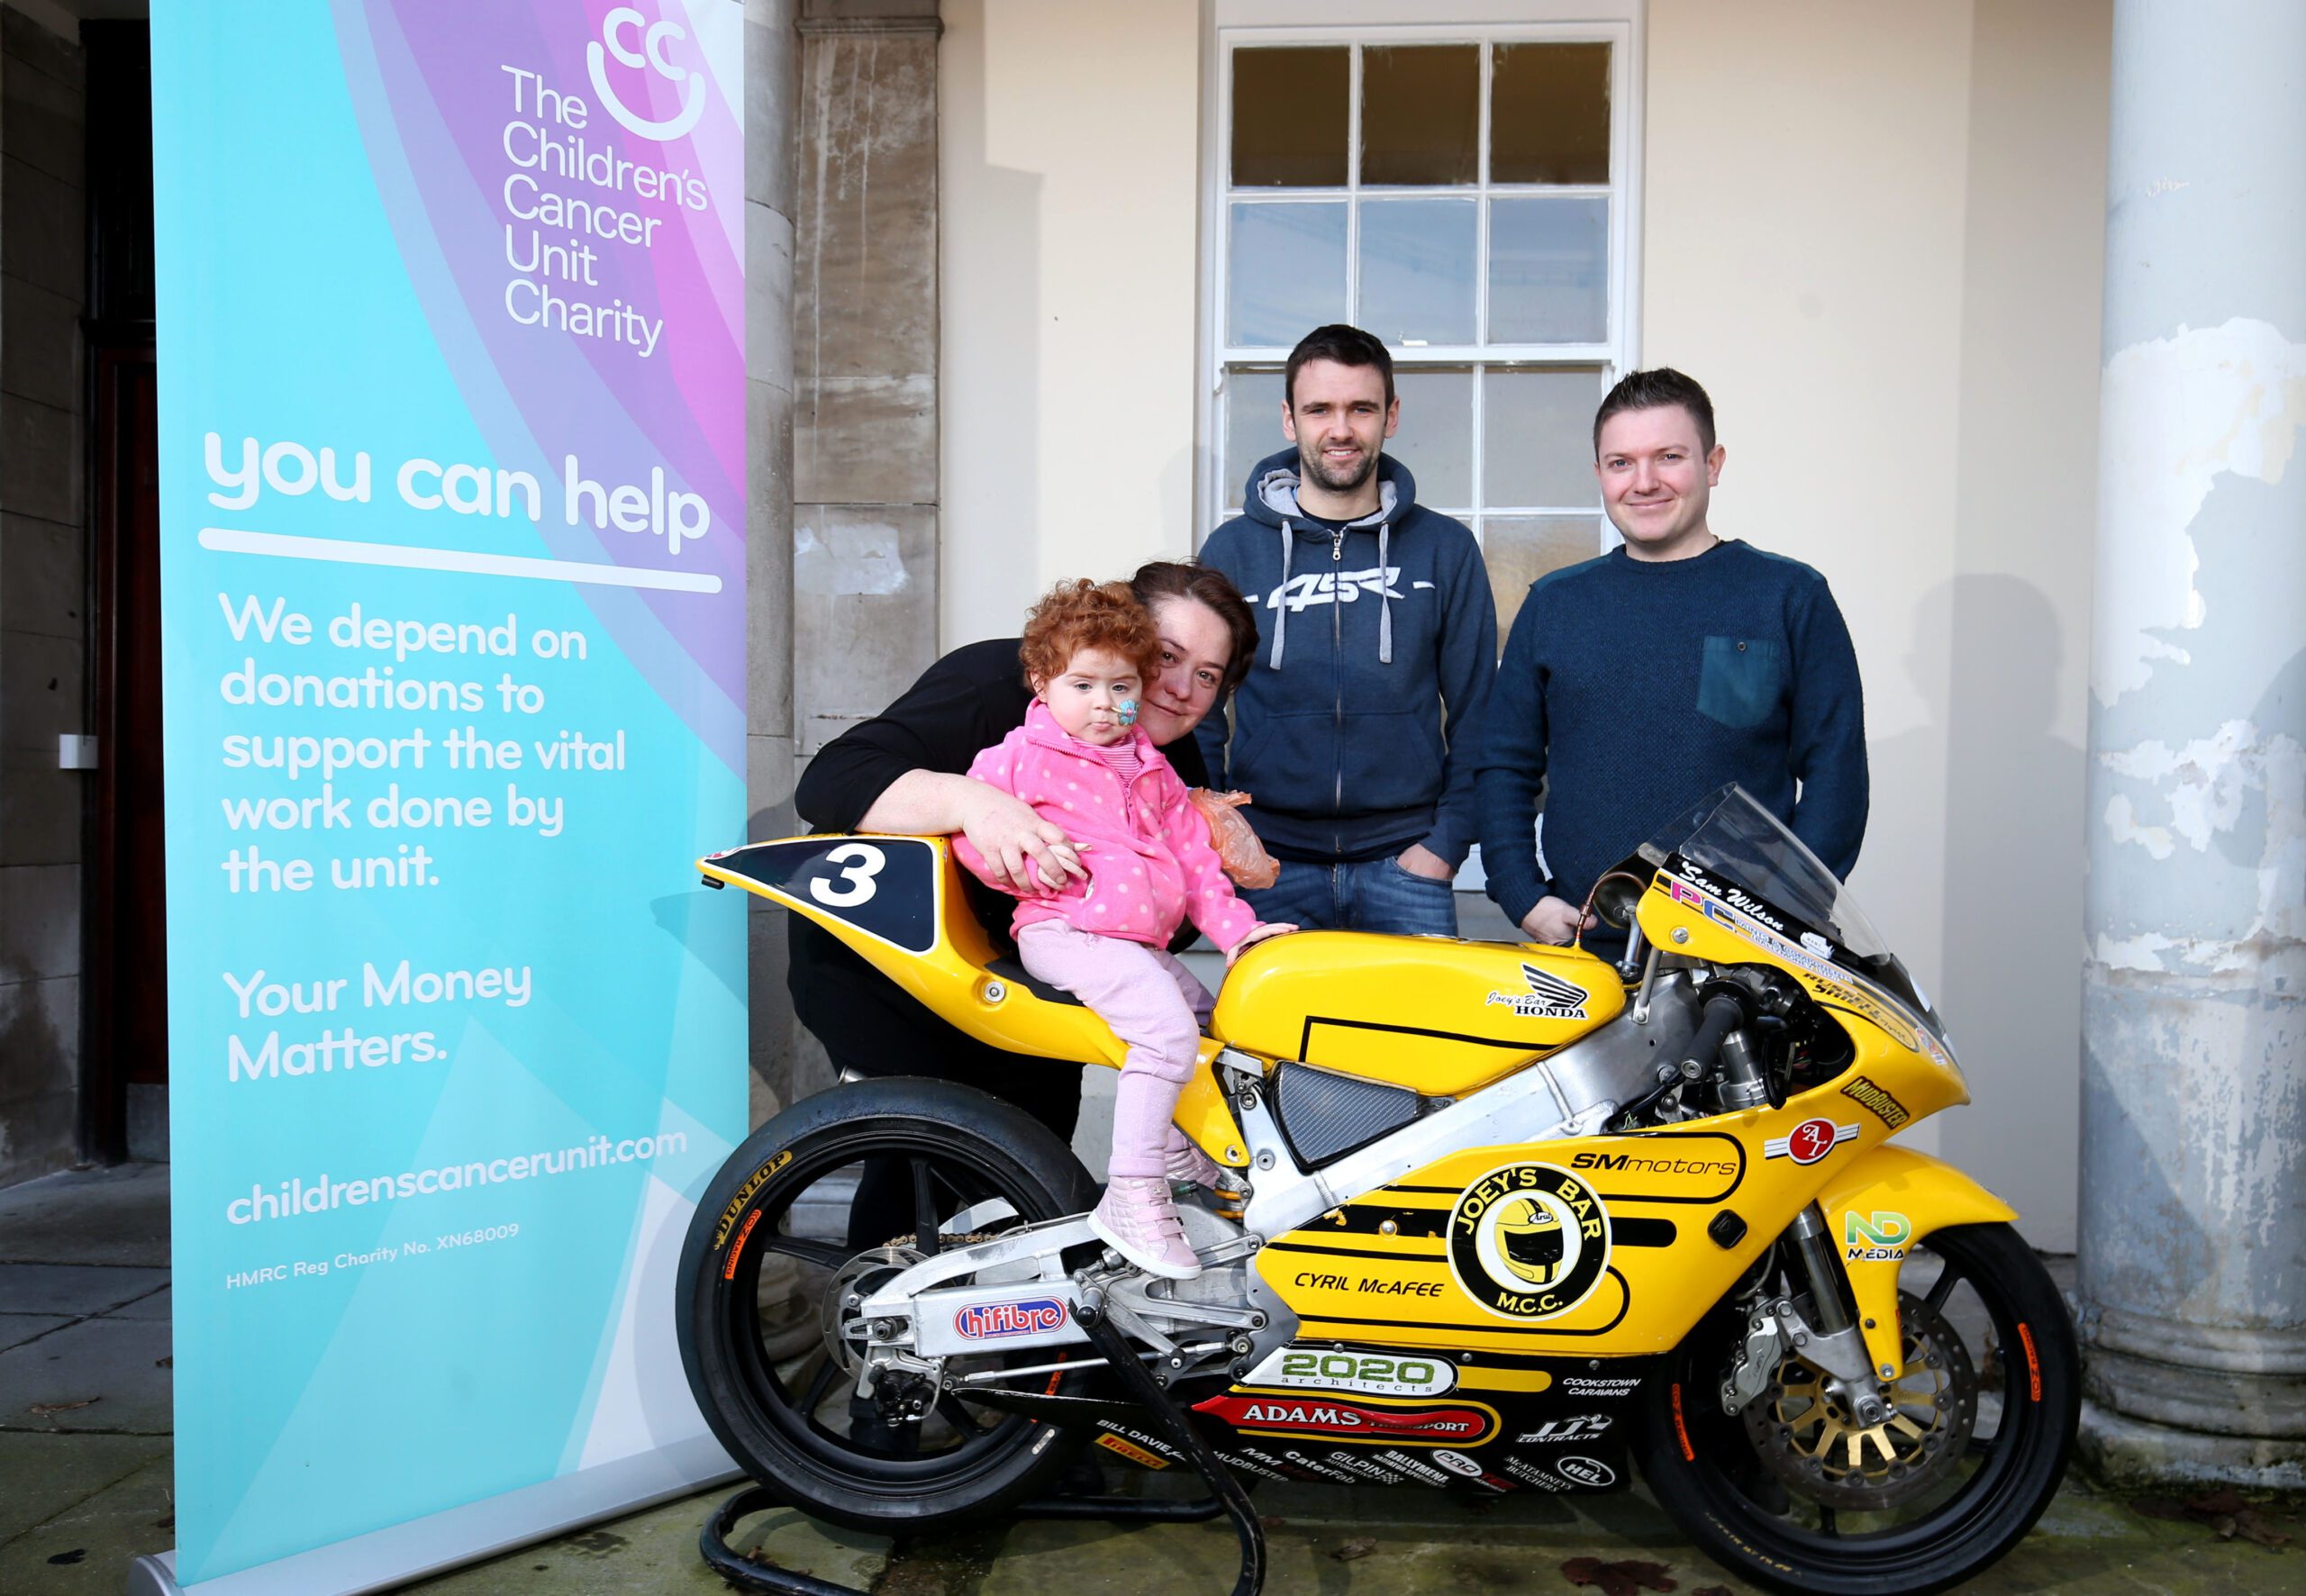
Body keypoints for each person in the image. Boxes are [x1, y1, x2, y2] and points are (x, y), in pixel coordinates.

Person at [786, 561, 1261, 1162]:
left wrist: (1198, 862)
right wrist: (973, 803)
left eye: (1208, 675)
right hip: (892, 972)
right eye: (1167, 656)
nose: (1180, 688)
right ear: (1125, 635)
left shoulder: (1166, 760)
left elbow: (1161, 929)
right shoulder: (995, 681)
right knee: (921, 1179)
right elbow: (832, 780)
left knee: (1035, 1181)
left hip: (1030, 987)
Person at [955, 581, 1293, 1278]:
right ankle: (1133, 1191)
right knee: (1166, 1031)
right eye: (1084, 685)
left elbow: (1198, 864)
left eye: (1122, 686)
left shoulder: (1153, 767)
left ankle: (1168, 1144)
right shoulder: (1017, 755)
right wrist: (1016, 870)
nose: (1106, 704)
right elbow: (972, 836)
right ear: (1043, 682)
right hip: (1065, 930)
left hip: (1127, 942)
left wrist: (1238, 936)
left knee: (1208, 1019)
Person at [1475, 367, 1867, 947]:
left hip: (1742, 956)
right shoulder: (1555, 603)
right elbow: (1504, 764)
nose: (1645, 481)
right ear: (1600, 475)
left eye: (1669, 457)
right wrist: (1521, 893)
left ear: (1713, 464)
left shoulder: (1788, 596)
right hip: (1588, 944)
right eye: (1621, 463)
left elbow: (1837, 774)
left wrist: (1787, 906)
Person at [1195, 324, 1496, 936]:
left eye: (1361, 408)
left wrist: (1445, 846)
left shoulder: (1445, 549)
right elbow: (1192, 711)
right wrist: (1219, 840)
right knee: (1271, 1036)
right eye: (1319, 409)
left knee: (1415, 1035)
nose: (1340, 429)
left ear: (1391, 416)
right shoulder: (1231, 551)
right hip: (1270, 870)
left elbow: (1480, 716)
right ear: (1289, 419)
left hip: (1408, 867)